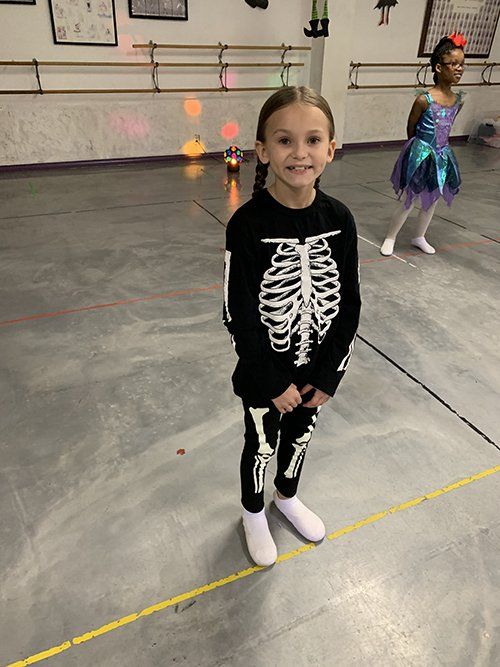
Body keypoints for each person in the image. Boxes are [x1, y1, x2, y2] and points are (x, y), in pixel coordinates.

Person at [222, 86, 361, 567]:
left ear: (330, 148)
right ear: (262, 150)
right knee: (261, 444)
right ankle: (252, 511)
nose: (299, 153)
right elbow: (237, 313)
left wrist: (329, 376)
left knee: (300, 438)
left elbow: (349, 305)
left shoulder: (340, 219)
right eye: (284, 140)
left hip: (314, 372)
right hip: (265, 375)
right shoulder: (246, 225)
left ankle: (286, 497)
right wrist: (271, 380)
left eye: (312, 140)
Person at [380, 33, 466, 257]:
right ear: (438, 67)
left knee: (432, 198)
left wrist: (439, 149)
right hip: (420, 153)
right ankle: (391, 237)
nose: (459, 68)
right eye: (453, 64)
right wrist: (417, 150)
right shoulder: (423, 99)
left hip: (442, 155)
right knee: (408, 198)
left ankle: (419, 236)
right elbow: (411, 128)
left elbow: (446, 128)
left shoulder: (458, 100)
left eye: (462, 64)